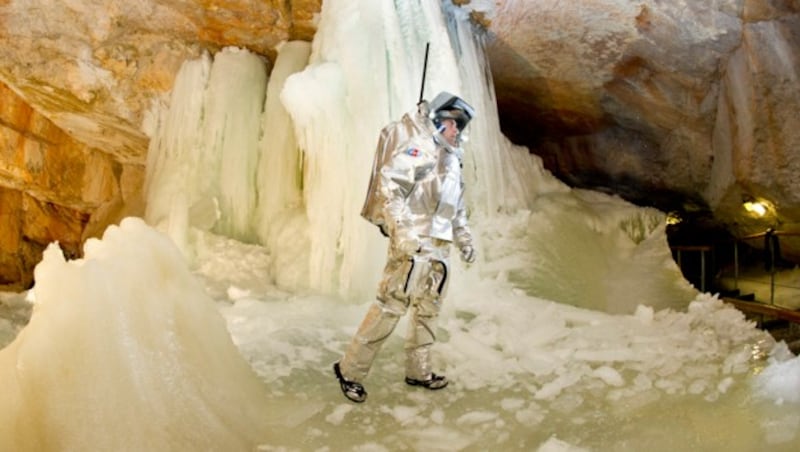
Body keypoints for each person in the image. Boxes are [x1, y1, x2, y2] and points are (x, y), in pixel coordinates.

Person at [333, 92, 477, 403]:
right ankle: (350, 371)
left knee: (428, 309)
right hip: (413, 243)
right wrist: (402, 231)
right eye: (453, 125)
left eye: (459, 126)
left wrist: (463, 238)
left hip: (440, 248)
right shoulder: (419, 150)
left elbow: (457, 207)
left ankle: (418, 371)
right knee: (390, 307)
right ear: (438, 123)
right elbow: (390, 184)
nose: (457, 131)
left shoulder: (453, 161)